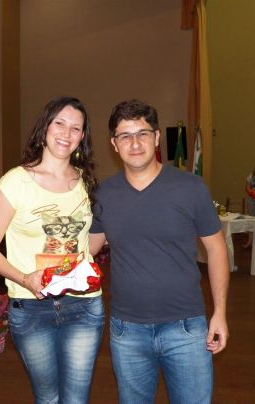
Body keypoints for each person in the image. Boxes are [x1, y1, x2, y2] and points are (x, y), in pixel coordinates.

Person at [89, 99, 229, 404]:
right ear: (114, 144)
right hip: (127, 330)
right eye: (125, 136)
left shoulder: (191, 188)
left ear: (156, 137)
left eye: (142, 133)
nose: (134, 143)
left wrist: (219, 313)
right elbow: (86, 250)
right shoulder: (103, 195)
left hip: (186, 327)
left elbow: (217, 249)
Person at [0, 96, 104, 404]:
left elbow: (91, 240)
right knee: (48, 398)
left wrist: (82, 263)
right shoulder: (15, 182)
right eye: (59, 123)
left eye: (76, 127)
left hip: (83, 305)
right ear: (45, 126)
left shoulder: (86, 182)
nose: (66, 133)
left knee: (76, 400)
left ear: (82, 137)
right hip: (32, 306)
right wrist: (25, 278)